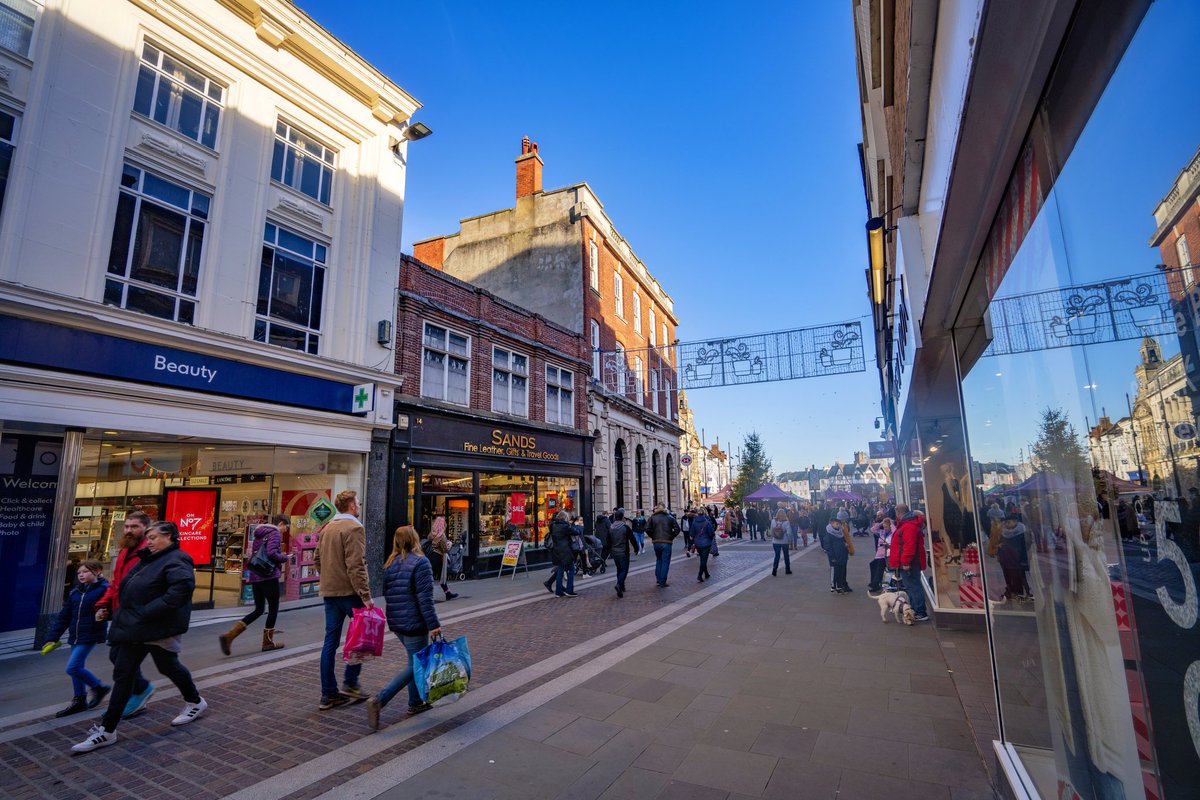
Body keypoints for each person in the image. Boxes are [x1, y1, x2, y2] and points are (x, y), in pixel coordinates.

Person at [72, 522, 207, 753]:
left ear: (169, 536)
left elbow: (179, 592)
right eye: (148, 537)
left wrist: (145, 612)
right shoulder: (148, 558)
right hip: (136, 627)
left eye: (153, 537)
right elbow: (127, 589)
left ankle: (195, 701)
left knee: (167, 666)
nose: (149, 541)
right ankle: (107, 730)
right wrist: (111, 610)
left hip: (155, 627)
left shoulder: (176, 559)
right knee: (124, 674)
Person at [366, 526, 441, 730]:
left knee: (413, 660)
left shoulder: (390, 563)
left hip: (397, 621)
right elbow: (425, 598)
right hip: (414, 621)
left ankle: (415, 702)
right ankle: (380, 700)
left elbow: (388, 593)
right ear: (414, 539)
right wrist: (433, 624)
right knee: (416, 664)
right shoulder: (421, 562)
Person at [315, 489, 374, 710]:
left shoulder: (327, 528)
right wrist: (366, 596)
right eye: (357, 502)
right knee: (361, 636)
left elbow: (317, 559)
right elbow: (356, 565)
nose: (359, 505)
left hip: (330, 593)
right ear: (351, 506)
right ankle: (350, 682)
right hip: (350, 593)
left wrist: (329, 577)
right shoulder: (354, 528)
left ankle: (328, 694)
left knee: (330, 642)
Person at [93, 511, 155, 719]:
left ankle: (130, 698)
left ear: (146, 528)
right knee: (118, 657)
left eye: (134, 526)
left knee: (123, 662)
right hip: (121, 613)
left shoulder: (149, 552)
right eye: (127, 526)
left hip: (137, 615)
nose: (129, 530)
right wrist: (103, 604)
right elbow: (116, 582)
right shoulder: (125, 551)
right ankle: (139, 691)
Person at [218, 515, 291, 655]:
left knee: (259, 609)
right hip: (268, 576)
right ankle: (268, 642)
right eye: (286, 527)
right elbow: (272, 553)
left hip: (256, 575)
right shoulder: (275, 533)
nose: (286, 530)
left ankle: (230, 635)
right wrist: (285, 557)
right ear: (281, 523)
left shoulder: (260, 532)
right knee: (273, 609)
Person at [47, 559, 110, 717]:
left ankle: (99, 687)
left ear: (97, 571)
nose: (81, 575)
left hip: (91, 634)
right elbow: (64, 617)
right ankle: (79, 700)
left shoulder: (104, 589)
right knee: (78, 667)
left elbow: (112, 609)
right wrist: (52, 637)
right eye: (79, 572)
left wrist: (104, 613)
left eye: (85, 571)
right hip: (75, 634)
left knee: (72, 667)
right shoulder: (75, 592)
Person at [889, 503, 929, 621]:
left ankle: (920, 612)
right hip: (909, 561)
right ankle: (915, 610)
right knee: (912, 586)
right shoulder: (908, 524)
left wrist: (906, 562)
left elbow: (909, 546)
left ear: (898, 512)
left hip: (909, 563)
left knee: (913, 586)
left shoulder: (909, 526)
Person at [603, 508, 637, 597]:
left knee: (619, 569)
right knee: (624, 570)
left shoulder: (611, 527)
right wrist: (636, 548)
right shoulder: (625, 527)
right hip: (623, 552)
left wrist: (609, 550)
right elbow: (632, 538)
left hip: (614, 552)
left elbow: (608, 541)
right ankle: (619, 584)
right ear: (622, 517)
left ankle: (621, 586)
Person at [544, 511, 578, 597]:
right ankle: (569, 590)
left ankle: (558, 592)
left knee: (560, 570)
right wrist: (571, 525)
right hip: (565, 551)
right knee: (572, 569)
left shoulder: (553, 526)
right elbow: (576, 532)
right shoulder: (565, 526)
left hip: (556, 551)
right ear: (565, 518)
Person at [425, 516, 460, 602]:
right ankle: (429, 596)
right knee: (441, 576)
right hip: (438, 557)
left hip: (430, 556)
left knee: (434, 576)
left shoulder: (431, 534)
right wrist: (450, 544)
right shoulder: (441, 536)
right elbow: (445, 549)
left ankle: (447, 593)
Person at [648, 504, 681, 587]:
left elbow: (647, 528)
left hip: (656, 541)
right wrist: (671, 536)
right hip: (667, 541)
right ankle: (662, 580)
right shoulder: (670, 517)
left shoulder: (653, 517)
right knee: (665, 561)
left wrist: (653, 536)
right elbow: (677, 529)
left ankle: (658, 579)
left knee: (659, 560)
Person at [826, 509, 854, 592]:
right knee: (836, 571)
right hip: (835, 556)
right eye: (837, 523)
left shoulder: (842, 529)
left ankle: (841, 585)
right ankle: (836, 586)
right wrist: (832, 557)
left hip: (842, 554)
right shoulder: (830, 534)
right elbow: (828, 547)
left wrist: (847, 546)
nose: (840, 524)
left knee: (842, 570)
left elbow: (846, 539)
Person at [868, 517, 893, 593]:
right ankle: (875, 583)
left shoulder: (893, 533)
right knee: (872, 564)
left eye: (886, 527)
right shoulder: (881, 532)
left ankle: (875, 584)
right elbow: (872, 529)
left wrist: (892, 524)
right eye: (884, 527)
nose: (885, 528)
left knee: (880, 565)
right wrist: (882, 522)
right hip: (879, 554)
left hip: (888, 555)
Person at [691, 509, 715, 582]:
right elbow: (711, 533)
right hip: (706, 543)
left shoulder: (694, 522)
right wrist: (710, 539)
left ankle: (706, 573)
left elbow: (692, 533)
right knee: (703, 560)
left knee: (702, 559)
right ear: (704, 514)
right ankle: (699, 575)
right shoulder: (707, 522)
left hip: (698, 543)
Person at [769, 508, 792, 576]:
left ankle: (774, 569)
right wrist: (790, 540)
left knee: (777, 555)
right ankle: (787, 570)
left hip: (775, 541)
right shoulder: (786, 522)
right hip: (784, 541)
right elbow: (789, 533)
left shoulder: (773, 521)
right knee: (786, 555)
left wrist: (773, 537)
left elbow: (771, 530)